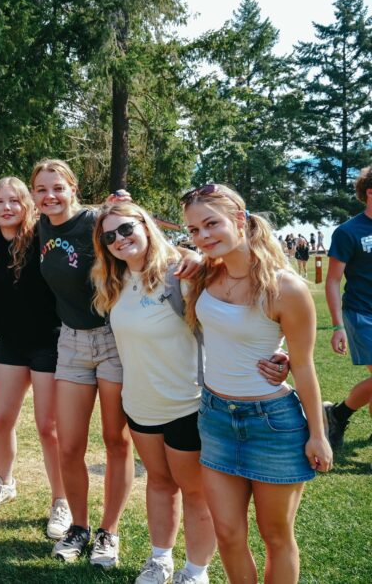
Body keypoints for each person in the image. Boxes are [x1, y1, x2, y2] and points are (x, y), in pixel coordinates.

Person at [92, 201, 292, 584]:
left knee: (195, 492)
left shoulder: (181, 273)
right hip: (140, 406)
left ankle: (195, 571)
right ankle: (160, 560)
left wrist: (281, 352)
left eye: (126, 228)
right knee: (158, 482)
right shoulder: (113, 281)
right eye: (109, 236)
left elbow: (248, 301)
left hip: (188, 404)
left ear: (146, 226)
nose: (119, 239)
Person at [181, 183, 332, 584]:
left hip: (272, 423)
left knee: (276, 536)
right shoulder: (205, 272)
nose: (203, 235)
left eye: (211, 224)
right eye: (194, 230)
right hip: (216, 418)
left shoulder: (286, 287)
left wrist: (318, 435)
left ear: (239, 220)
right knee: (229, 535)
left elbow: (304, 366)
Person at [31, 159, 135, 567]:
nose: (50, 196)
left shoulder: (95, 222)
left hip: (113, 339)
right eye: (42, 189)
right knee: (70, 444)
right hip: (71, 343)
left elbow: (138, 235)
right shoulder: (39, 226)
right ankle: (79, 526)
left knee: (115, 440)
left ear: (73, 188)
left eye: (58, 187)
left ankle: (109, 531)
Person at [0, 177, 70, 540]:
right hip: (10, 344)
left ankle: (61, 500)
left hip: (49, 343)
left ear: (28, 205)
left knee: (48, 428)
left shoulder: (44, 237)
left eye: (15, 200)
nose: (7, 207)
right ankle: (4, 481)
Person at [324, 167, 372, 449]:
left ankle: (337, 415)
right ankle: (338, 415)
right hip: (361, 313)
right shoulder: (348, 232)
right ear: (370, 193)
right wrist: (337, 325)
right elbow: (332, 281)